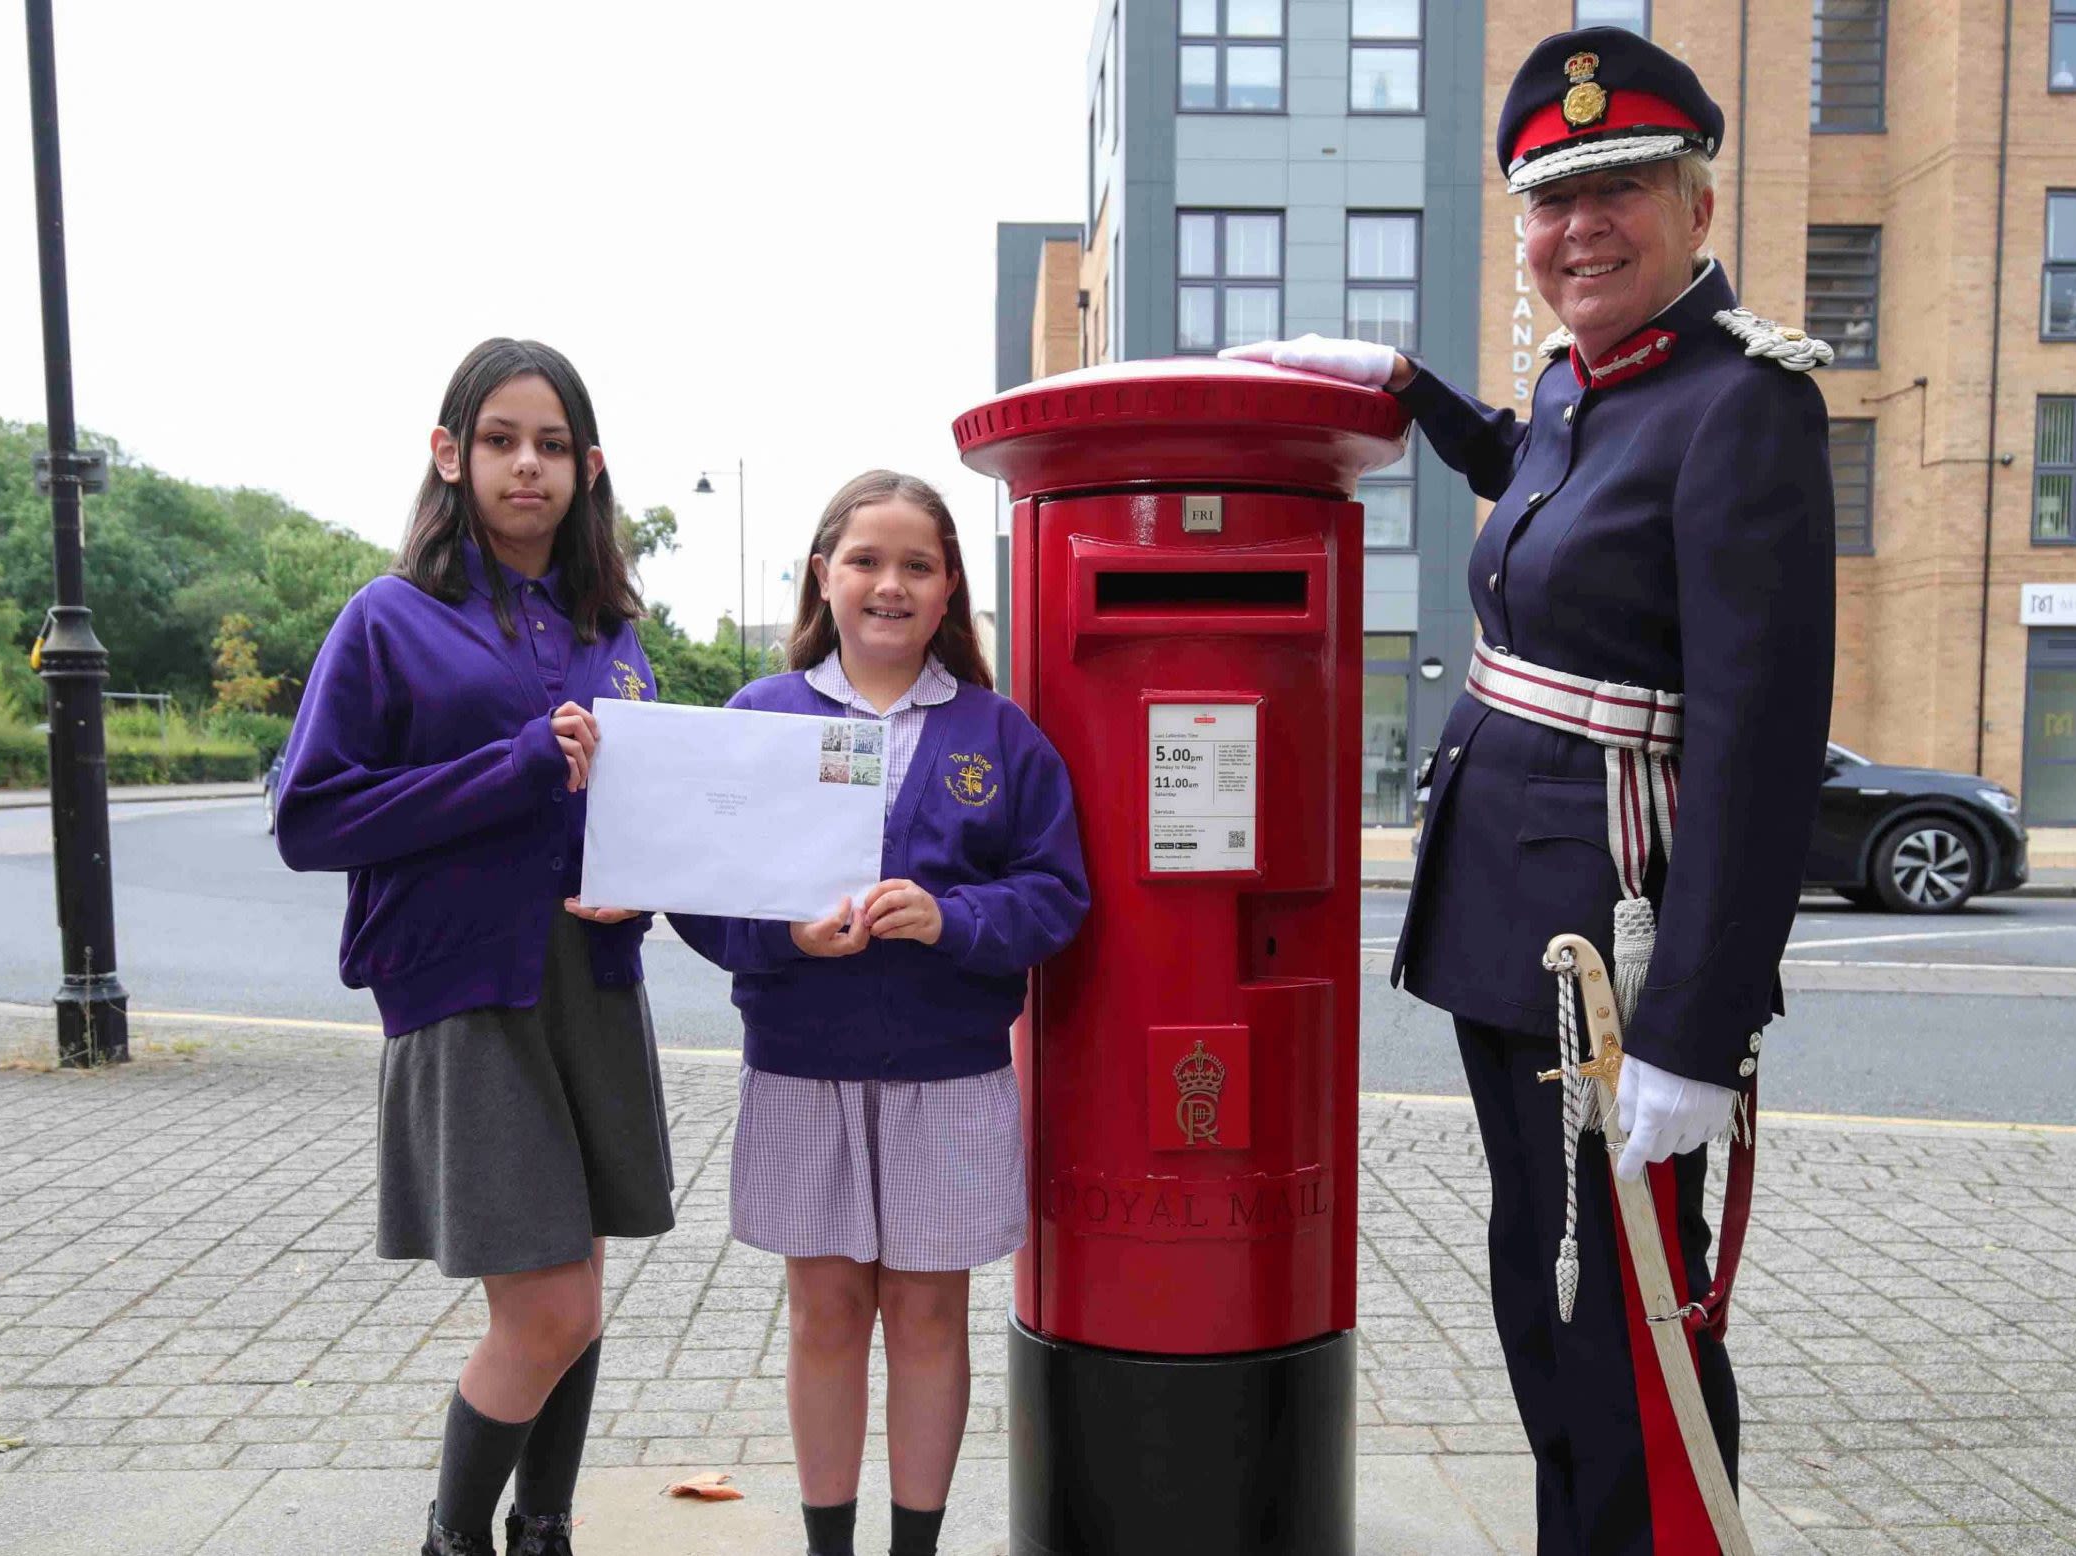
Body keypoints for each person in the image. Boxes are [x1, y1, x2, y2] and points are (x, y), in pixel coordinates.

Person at [1228, 26, 1837, 1553]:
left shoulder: (1744, 403)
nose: (1584, 227)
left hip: (1612, 958)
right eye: (1555, 202)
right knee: (1541, 1279)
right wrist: (1409, 388)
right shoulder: (1590, 388)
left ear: (1699, 203)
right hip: (1514, 922)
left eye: (1621, 185)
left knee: (1626, 1302)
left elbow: (1761, 748)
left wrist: (1698, 1027)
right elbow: (1542, 474)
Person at [274, 338, 677, 1556]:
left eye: (552, 445)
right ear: (449, 454)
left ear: (587, 466)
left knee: (581, 1292)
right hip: (464, 986)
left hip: (593, 988)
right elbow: (310, 817)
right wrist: (507, 769)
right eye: (501, 439)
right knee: (546, 1305)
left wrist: (640, 885)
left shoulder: (611, 627)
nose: (527, 466)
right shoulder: (388, 620)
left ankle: (541, 1527)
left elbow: (638, 812)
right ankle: (454, 1535)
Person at [672, 471, 1088, 1556]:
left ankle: (915, 1545)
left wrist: (951, 917)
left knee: (927, 1314)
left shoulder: (1000, 736)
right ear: (823, 574)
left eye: (916, 564)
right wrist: (781, 933)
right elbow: (698, 885)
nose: (888, 584)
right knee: (822, 1315)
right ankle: (828, 1545)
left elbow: (1054, 894)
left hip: (949, 1077)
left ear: (950, 587)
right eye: (865, 560)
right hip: (802, 1067)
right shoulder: (761, 720)